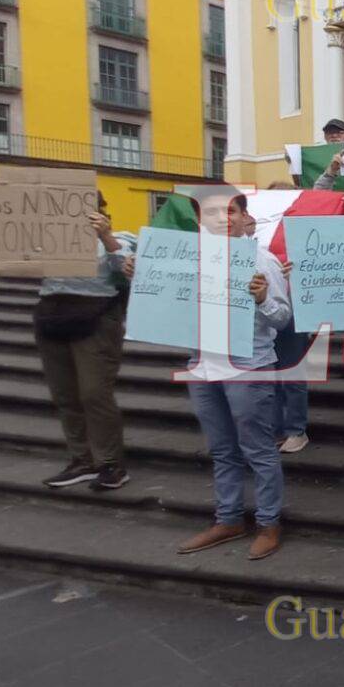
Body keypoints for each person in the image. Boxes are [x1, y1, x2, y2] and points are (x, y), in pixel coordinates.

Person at [127, 189, 293, 560]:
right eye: (214, 212)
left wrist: (264, 298)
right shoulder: (188, 259)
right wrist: (141, 277)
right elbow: (166, 303)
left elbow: (282, 320)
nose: (224, 218)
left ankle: (269, 524)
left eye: (232, 211)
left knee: (259, 450)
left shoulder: (261, 261)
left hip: (249, 366)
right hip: (202, 366)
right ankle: (229, 518)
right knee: (222, 450)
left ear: (242, 216)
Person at [36, 194, 134, 492]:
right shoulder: (50, 237)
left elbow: (127, 272)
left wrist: (104, 235)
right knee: (64, 394)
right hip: (52, 315)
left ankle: (110, 464)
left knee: (94, 393)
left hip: (96, 319)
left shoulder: (119, 238)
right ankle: (82, 459)